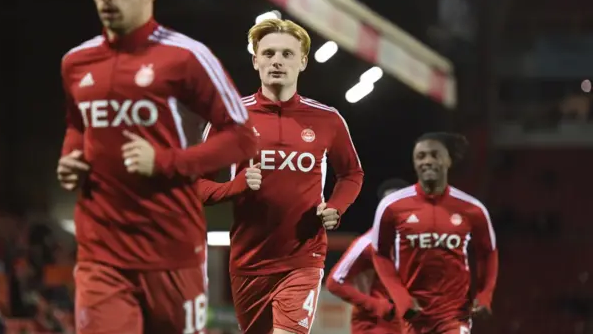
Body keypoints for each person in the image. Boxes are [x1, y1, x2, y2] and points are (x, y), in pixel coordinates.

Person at [56, 0, 257, 334]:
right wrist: (70, 158)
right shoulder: (76, 63)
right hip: (102, 252)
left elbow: (243, 137)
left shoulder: (186, 57)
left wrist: (166, 162)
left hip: (171, 250)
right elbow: (76, 125)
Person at [196, 18, 364, 334]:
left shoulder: (328, 119)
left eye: (287, 54)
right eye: (269, 53)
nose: (277, 61)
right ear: (255, 60)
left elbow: (352, 173)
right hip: (249, 261)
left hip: (304, 257)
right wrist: (235, 187)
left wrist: (336, 208)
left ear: (302, 61)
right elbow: (195, 186)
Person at [371, 133, 498, 334]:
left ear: (448, 160)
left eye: (434, 155)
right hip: (414, 316)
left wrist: (484, 296)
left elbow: (488, 253)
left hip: (454, 315)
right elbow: (380, 254)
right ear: (414, 163)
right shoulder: (391, 206)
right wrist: (401, 298)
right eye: (421, 156)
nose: (427, 161)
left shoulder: (472, 209)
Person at [326, 178, 409, 334]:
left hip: (407, 324)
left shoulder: (416, 241)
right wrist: (375, 305)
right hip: (375, 325)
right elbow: (334, 282)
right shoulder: (368, 243)